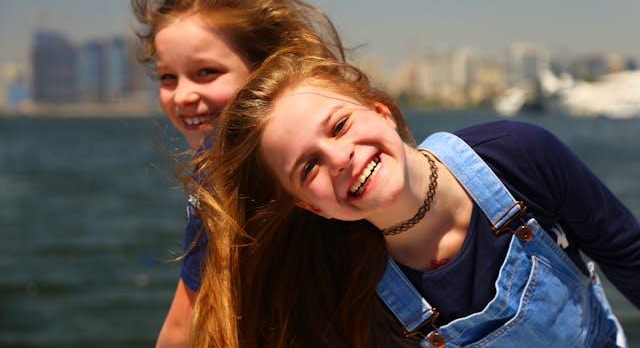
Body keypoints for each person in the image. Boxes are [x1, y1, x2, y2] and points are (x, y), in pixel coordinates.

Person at [193, 56, 640, 347]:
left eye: (340, 126)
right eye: (308, 167)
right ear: (310, 206)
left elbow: (630, 257)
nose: (340, 158)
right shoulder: (344, 283)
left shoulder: (518, 155)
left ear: (381, 111)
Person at [131, 0, 346, 347]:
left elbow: (182, 329)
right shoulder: (343, 152)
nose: (182, 96)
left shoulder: (221, 181)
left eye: (206, 72)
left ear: (269, 70)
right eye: (167, 77)